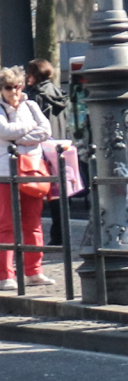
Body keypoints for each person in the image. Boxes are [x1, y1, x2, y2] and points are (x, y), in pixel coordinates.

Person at [0, 66, 53, 290]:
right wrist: (27, 131)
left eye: (18, 86)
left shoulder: (30, 105)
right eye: (9, 87)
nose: (14, 91)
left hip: (31, 170)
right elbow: (4, 131)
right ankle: (5, 275)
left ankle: (34, 271)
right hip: (4, 172)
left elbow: (46, 130)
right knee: (6, 225)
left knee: (33, 223)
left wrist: (19, 138)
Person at [26, 60, 68, 246]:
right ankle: (60, 233)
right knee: (59, 194)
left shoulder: (35, 96)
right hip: (58, 146)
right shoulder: (58, 93)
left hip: (41, 148)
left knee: (34, 192)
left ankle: (37, 236)